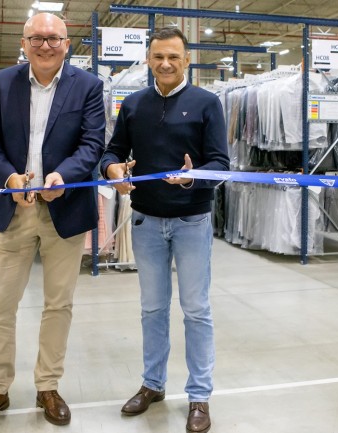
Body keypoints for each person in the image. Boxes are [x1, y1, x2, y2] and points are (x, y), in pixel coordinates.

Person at [0, 12, 105, 431]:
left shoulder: (89, 86)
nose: (45, 45)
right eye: (37, 39)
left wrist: (65, 174)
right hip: (14, 210)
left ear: (67, 43)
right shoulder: (3, 82)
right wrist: (9, 177)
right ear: (24, 44)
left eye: (53, 39)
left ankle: (48, 385)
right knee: (0, 305)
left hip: (65, 210)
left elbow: (93, 142)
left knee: (58, 304)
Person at [100, 27, 229, 433]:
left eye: (174, 56)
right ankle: (153, 384)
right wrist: (113, 170)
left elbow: (221, 164)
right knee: (152, 309)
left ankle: (199, 396)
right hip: (146, 221)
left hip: (192, 220)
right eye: (158, 57)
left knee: (196, 310)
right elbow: (113, 150)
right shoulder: (134, 104)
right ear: (148, 60)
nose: (166, 64)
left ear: (187, 60)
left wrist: (193, 178)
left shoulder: (208, 104)